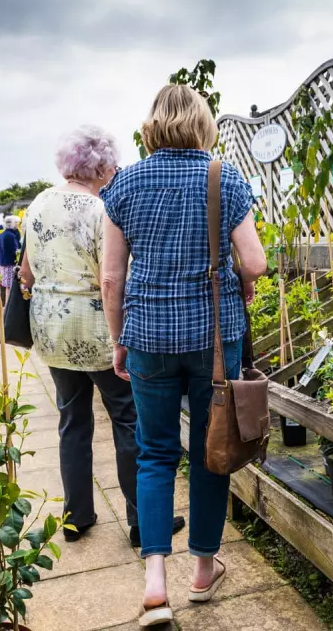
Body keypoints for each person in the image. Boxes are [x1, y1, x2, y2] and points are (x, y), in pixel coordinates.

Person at [101, 85, 267, 626]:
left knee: (154, 453)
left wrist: (119, 339)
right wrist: (233, 273)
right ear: (202, 124)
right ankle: (201, 571)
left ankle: (154, 585)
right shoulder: (225, 178)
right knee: (211, 450)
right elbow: (255, 262)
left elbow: (111, 278)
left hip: (148, 338)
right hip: (214, 341)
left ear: (152, 125)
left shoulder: (124, 184)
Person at [19, 125, 186, 548]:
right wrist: (121, 336)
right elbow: (112, 278)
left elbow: (26, 272)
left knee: (72, 421)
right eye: (111, 163)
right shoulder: (101, 209)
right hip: (95, 328)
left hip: (51, 328)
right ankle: (142, 521)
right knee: (128, 421)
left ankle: (76, 517)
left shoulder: (38, 203)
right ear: (100, 166)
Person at [0, 216, 21, 305]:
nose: (17, 225)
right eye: (16, 223)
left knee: (7, 286)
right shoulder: (10, 236)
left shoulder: (2, 234)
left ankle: (7, 305)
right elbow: (15, 250)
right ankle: (9, 306)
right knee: (10, 287)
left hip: (3, 263)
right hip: (9, 264)